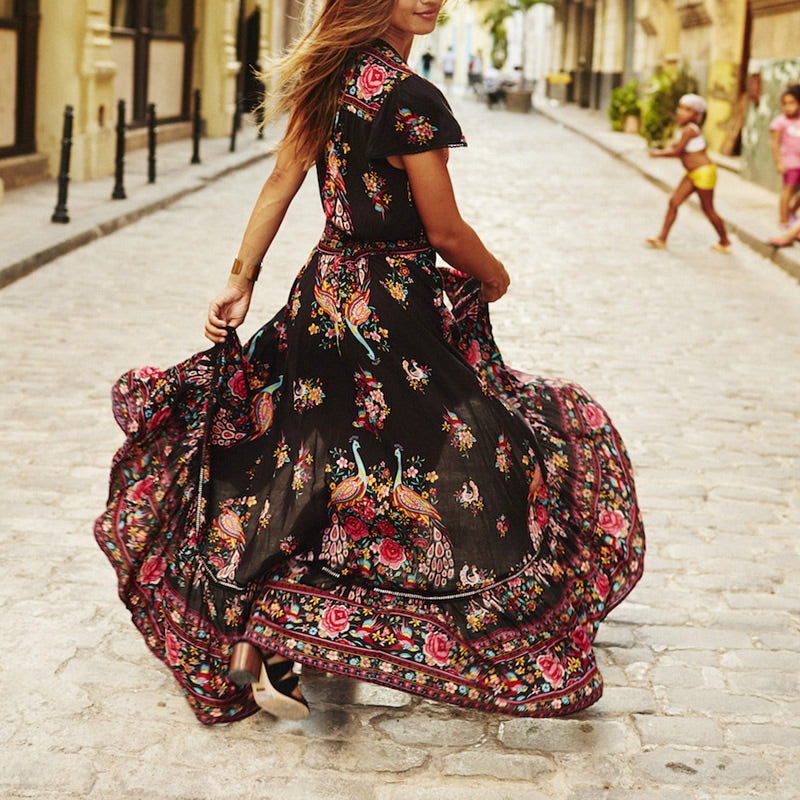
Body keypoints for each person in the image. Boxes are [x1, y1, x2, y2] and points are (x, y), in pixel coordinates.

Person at [95, 0, 644, 726]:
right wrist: (495, 270)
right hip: (393, 307)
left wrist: (242, 275)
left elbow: (282, 180)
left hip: (324, 296)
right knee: (482, 444)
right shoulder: (412, 99)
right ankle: (484, 627)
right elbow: (444, 229)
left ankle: (264, 640)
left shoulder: (332, 78)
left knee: (308, 459)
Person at [646, 93, 732, 253]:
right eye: (680, 108)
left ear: (696, 115)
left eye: (687, 110)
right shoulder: (686, 129)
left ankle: (725, 241)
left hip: (704, 173)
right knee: (674, 202)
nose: (681, 112)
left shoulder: (690, 130)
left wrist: (657, 154)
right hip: (692, 174)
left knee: (708, 209)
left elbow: (677, 151)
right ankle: (662, 238)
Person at [769, 84, 800, 227]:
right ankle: (784, 219)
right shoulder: (780, 122)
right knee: (788, 190)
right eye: (784, 103)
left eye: (792, 103)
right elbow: (775, 144)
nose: (788, 107)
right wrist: (778, 163)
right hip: (789, 162)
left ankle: (791, 212)